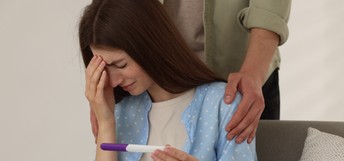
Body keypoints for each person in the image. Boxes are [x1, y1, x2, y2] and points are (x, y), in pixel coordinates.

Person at [27, 0, 268, 161]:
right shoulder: (122, 113)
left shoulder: (224, 105)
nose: (115, 79)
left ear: (151, 46)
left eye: (120, 65)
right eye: (103, 68)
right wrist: (106, 121)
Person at [89, 0, 291, 144]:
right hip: (157, 79)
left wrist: (253, 72)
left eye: (120, 66)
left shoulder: (227, 104)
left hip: (242, 77)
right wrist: (102, 82)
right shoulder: (127, 96)